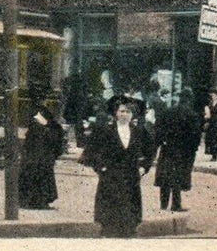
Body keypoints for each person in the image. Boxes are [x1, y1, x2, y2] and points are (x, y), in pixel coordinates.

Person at [83, 97, 155, 237]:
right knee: (111, 203)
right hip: (111, 174)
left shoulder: (138, 131)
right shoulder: (106, 130)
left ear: (132, 114)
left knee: (129, 203)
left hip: (131, 174)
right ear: (116, 113)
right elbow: (91, 151)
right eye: (121, 111)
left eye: (128, 112)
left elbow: (150, 149)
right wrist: (101, 168)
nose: (124, 114)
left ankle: (128, 229)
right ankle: (109, 230)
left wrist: (143, 167)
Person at [18, 88, 66, 210]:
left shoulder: (34, 110)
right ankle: (37, 201)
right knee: (40, 173)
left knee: (31, 172)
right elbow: (46, 127)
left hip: (34, 148)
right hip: (40, 149)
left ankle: (28, 200)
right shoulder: (39, 112)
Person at [153, 92, 202, 212]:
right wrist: (192, 149)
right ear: (190, 100)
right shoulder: (192, 115)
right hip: (183, 151)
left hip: (167, 148)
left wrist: (161, 142)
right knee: (178, 177)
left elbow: (157, 128)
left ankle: (163, 205)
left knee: (165, 176)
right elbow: (196, 135)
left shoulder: (167, 112)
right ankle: (176, 204)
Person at [201, 89, 217, 161]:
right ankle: (212, 154)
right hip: (211, 122)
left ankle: (215, 155)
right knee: (210, 139)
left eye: (214, 95)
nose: (213, 96)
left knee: (216, 139)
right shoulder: (210, 103)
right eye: (212, 95)